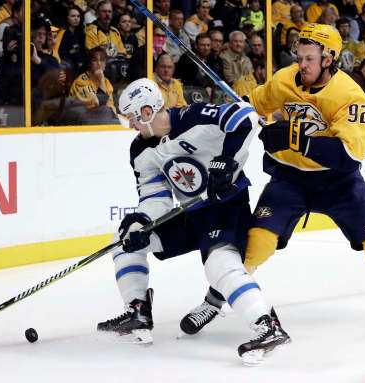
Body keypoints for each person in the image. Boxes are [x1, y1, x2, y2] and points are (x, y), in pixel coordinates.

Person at [182, 23, 365, 336]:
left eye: (309, 58)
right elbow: (249, 105)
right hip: (289, 180)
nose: (302, 64)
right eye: (299, 57)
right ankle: (214, 301)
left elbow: (348, 156)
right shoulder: (285, 79)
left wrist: (294, 138)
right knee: (256, 245)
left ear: (329, 59)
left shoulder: (350, 96)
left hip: (339, 183)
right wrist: (224, 113)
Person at [96, 77, 290, 364]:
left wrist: (227, 161)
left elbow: (245, 117)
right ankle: (138, 310)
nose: (132, 126)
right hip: (190, 213)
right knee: (124, 242)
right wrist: (142, 221)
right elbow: (155, 196)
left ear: (147, 112)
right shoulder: (140, 151)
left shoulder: (193, 117)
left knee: (219, 265)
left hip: (226, 206)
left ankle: (267, 325)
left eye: (133, 119)